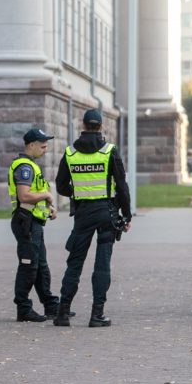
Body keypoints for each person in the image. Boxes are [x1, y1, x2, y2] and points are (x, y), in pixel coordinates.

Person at [53, 109, 131, 327]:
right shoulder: (109, 152)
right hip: (106, 212)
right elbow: (122, 187)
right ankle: (97, 314)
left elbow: (60, 186)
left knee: (74, 263)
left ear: (84, 124)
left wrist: (77, 192)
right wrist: (127, 213)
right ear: (101, 126)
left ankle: (62, 312)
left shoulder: (70, 153)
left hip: (83, 214)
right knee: (102, 264)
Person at [8, 128, 61, 322]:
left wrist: (49, 207)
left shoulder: (31, 165)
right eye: (42, 145)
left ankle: (51, 306)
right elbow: (24, 196)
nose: (45, 148)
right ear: (31, 145)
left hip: (34, 222)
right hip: (26, 223)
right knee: (29, 266)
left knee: (40, 266)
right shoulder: (25, 167)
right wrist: (47, 195)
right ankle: (23, 309)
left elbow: (35, 193)